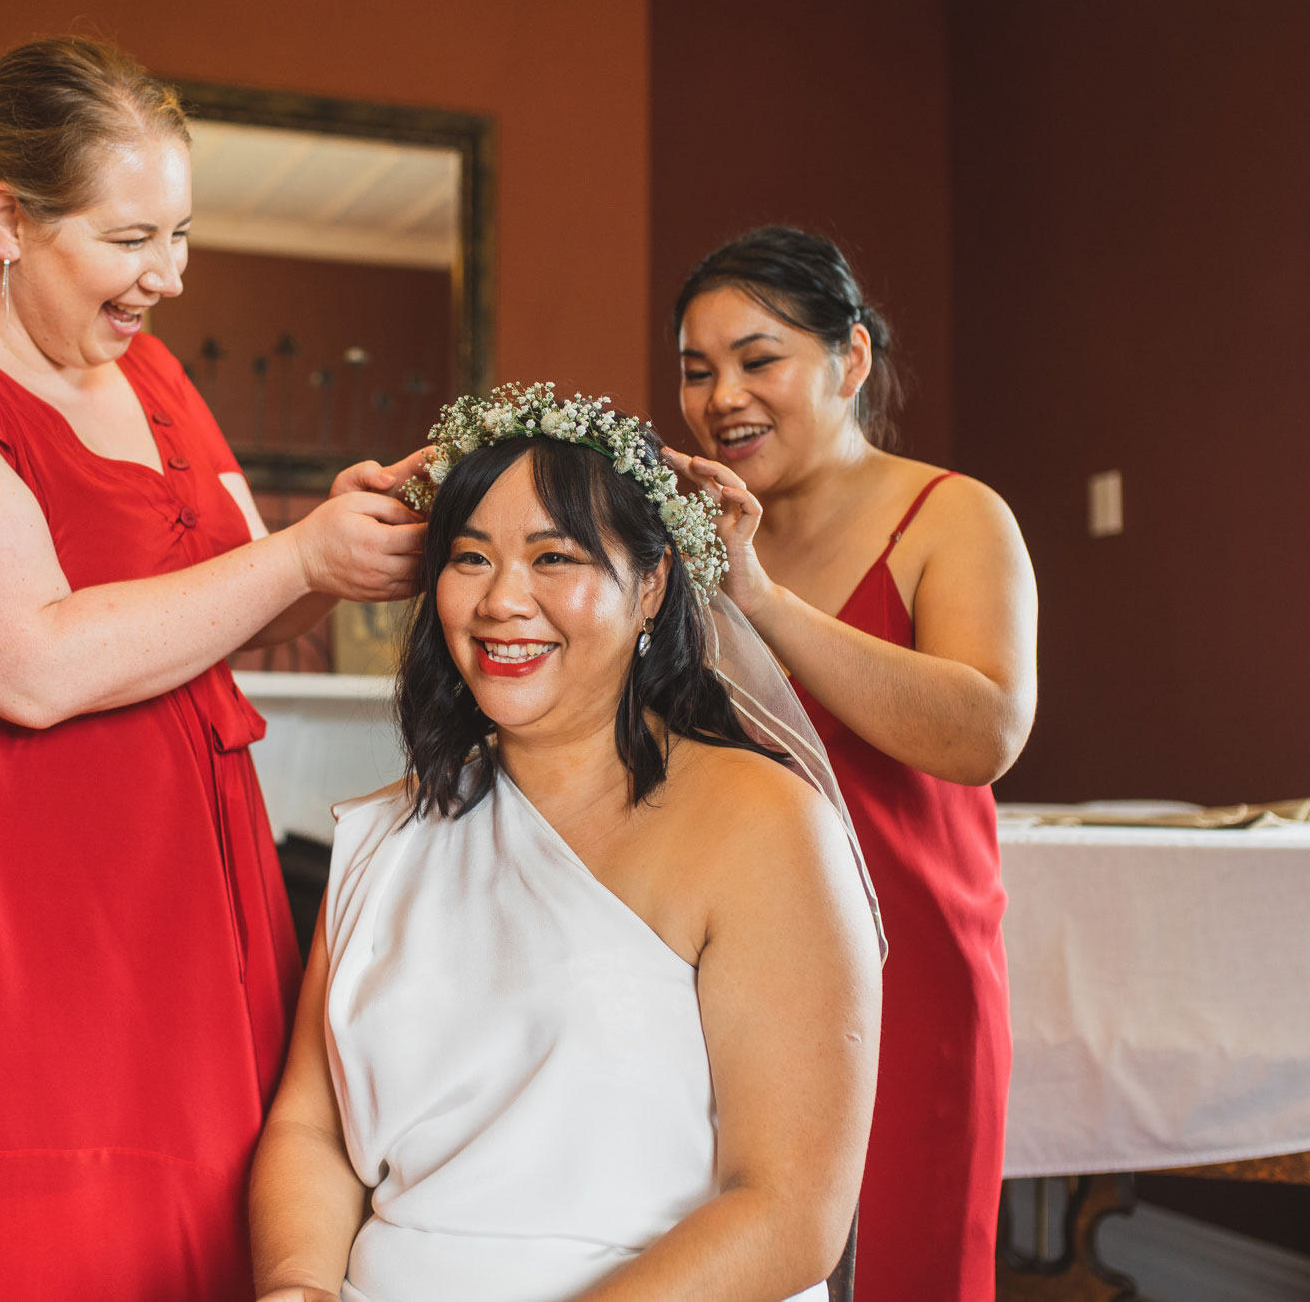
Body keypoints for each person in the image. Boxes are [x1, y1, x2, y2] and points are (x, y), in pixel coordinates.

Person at [0, 37, 426, 1301]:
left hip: (179, 869)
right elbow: (28, 661)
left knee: (197, 1221)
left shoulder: (148, 371)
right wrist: (294, 557)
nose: (167, 278)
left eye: (179, 235)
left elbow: (239, 605)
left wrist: (325, 550)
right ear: (7, 218)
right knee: (15, 1235)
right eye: (131, 240)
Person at [249, 386, 885, 1302]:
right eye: (470, 557)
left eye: (555, 556)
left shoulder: (764, 825)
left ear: (654, 584)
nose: (504, 599)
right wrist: (297, 1286)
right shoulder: (387, 831)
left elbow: (790, 1211)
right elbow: (312, 1128)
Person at [667, 226, 1039, 1301]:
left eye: (755, 358)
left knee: (899, 1267)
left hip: (907, 970)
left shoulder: (952, 515)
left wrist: (762, 602)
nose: (720, 396)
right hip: (724, 974)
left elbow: (982, 729)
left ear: (850, 360)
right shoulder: (693, 541)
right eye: (695, 371)